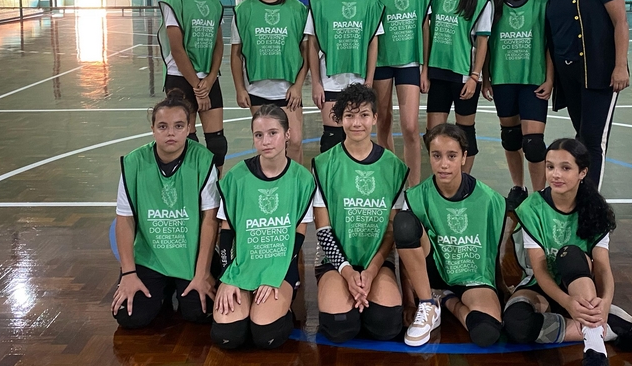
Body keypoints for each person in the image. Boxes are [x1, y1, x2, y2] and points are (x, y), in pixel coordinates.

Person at [503, 138, 632, 366]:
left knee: (570, 255)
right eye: (550, 166)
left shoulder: (596, 209)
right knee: (515, 324)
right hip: (543, 285)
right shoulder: (532, 207)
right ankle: (609, 326)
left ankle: (596, 360)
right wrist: (567, 303)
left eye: (565, 168)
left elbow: (602, 268)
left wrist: (605, 300)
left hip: (580, 282)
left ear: (582, 172)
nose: (555, 174)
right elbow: (540, 271)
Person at [211, 104, 315, 350]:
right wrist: (228, 278)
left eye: (272, 133)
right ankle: (247, 299)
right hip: (242, 266)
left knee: (266, 335)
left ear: (287, 134)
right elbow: (226, 232)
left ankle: (282, 306)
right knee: (228, 336)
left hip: (280, 265)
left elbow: (299, 235)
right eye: (259, 135)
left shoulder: (302, 179)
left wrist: (274, 275)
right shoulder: (236, 177)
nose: (266, 141)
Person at [111, 92, 219, 329]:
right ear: (152, 129)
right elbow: (124, 220)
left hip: (190, 257)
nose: (171, 133)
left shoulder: (203, 160)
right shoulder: (134, 163)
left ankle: (177, 285)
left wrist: (202, 273)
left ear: (189, 128)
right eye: (163, 126)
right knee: (130, 316)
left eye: (178, 126)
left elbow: (210, 220)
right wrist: (128, 274)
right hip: (151, 258)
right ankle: (164, 287)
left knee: (201, 312)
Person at [394, 123, 507, 348]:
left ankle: (446, 300)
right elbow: (407, 254)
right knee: (404, 223)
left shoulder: (491, 200)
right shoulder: (416, 197)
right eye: (436, 155)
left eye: (452, 156)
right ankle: (428, 302)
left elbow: (492, 250)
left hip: (473, 275)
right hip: (431, 276)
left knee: (486, 332)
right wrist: (409, 301)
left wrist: (501, 288)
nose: (444, 164)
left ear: (464, 157)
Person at [312, 83, 408, 344]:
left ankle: (365, 298)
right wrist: (347, 272)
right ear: (340, 119)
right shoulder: (323, 164)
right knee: (340, 327)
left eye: (364, 115)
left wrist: (372, 271)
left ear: (375, 118)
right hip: (335, 262)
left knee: (386, 325)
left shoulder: (394, 167)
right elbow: (323, 230)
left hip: (375, 260)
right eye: (349, 115)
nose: (357, 123)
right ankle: (344, 297)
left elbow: (391, 231)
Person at [545, 0, 629, 190]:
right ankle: (578, 195)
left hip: (599, 72)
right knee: (581, 138)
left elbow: (620, 22)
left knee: (592, 141)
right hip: (569, 76)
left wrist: (620, 65)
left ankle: (592, 202)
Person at [482, 0, 553, 199]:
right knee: (511, 138)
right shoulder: (493, 5)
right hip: (503, 79)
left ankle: (540, 195)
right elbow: (485, 43)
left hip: (533, 80)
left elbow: (550, 46)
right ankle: (518, 188)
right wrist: (485, 78)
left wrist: (550, 79)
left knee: (533, 144)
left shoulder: (543, 4)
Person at [364, 0, 431, 187]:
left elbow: (425, 28)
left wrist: (424, 68)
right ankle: (392, 179)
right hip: (382, 63)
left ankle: (413, 186)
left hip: (409, 63)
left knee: (411, 127)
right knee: (383, 121)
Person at [306, 0, 384, 153]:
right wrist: (316, 83)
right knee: (332, 139)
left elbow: (373, 43)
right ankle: (327, 175)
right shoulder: (319, 3)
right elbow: (312, 45)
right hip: (330, 81)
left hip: (359, 80)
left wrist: (369, 80)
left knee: (357, 138)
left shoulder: (369, 3)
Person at [158, 0, 228, 169]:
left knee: (217, 145)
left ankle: (214, 187)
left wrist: (210, 79)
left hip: (208, 79)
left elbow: (219, 44)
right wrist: (198, 88)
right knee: (186, 143)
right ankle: (189, 185)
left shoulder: (213, 1)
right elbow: (177, 49)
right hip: (181, 78)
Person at [231, 0, 309, 162]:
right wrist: (240, 88)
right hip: (257, 89)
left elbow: (306, 52)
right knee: (267, 146)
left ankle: (297, 183)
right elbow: (236, 54)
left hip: (288, 90)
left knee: (294, 142)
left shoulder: (297, 9)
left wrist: (298, 86)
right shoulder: (243, 11)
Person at [424, 0, 492, 174]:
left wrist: (475, 77)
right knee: (433, 134)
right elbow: (426, 30)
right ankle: (440, 177)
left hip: (464, 74)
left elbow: (482, 42)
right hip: (438, 71)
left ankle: (464, 180)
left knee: (465, 132)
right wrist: (425, 69)